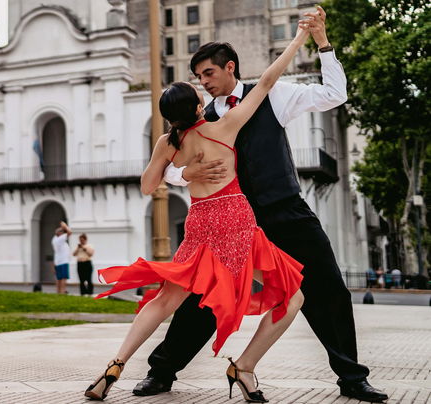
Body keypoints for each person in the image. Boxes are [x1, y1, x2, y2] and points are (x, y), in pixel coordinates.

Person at [128, 7, 387, 403]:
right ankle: (161, 373)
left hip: (286, 210)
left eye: (208, 74)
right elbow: (169, 168)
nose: (203, 83)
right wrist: (189, 176)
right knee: (202, 300)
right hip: (233, 221)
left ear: (229, 67)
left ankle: (352, 378)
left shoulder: (275, 94)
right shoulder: (200, 118)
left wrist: (322, 41)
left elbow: (336, 94)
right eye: (197, 78)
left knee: (327, 290)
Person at [85, 20, 313, 402]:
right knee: (292, 298)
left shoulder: (167, 142)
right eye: (197, 89)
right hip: (236, 224)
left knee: (165, 301)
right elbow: (269, 80)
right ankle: (244, 366)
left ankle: (115, 365)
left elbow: (146, 186)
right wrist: (300, 37)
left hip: (200, 225)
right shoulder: (224, 127)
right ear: (194, 106)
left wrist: (183, 170)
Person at [51, 221, 72, 294]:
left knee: (58, 278)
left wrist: (62, 228)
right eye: (62, 232)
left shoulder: (54, 239)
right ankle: (62, 292)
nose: (63, 232)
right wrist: (65, 226)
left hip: (58, 262)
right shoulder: (60, 239)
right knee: (63, 278)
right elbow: (70, 232)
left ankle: (58, 292)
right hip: (63, 261)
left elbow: (58, 231)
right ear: (59, 233)